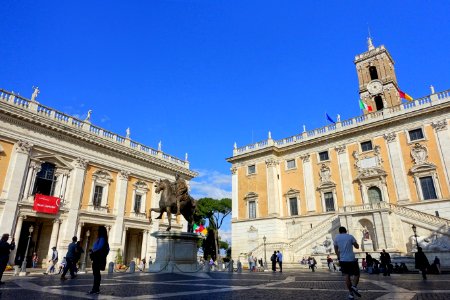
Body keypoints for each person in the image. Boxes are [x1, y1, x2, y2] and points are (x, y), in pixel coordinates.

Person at [334, 226, 361, 299]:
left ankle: (351, 294)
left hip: (343, 259)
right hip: (351, 259)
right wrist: (355, 244)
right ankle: (354, 286)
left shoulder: (336, 238)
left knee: (347, 276)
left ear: (339, 231)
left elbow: (336, 250)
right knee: (357, 274)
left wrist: (339, 257)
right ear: (346, 231)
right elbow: (357, 247)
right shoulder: (350, 237)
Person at [88, 226, 110, 295]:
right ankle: (95, 288)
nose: (97, 231)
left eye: (98, 230)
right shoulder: (102, 238)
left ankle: (95, 289)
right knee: (96, 274)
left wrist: (93, 250)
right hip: (97, 258)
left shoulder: (102, 238)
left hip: (97, 258)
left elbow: (99, 247)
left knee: (96, 274)